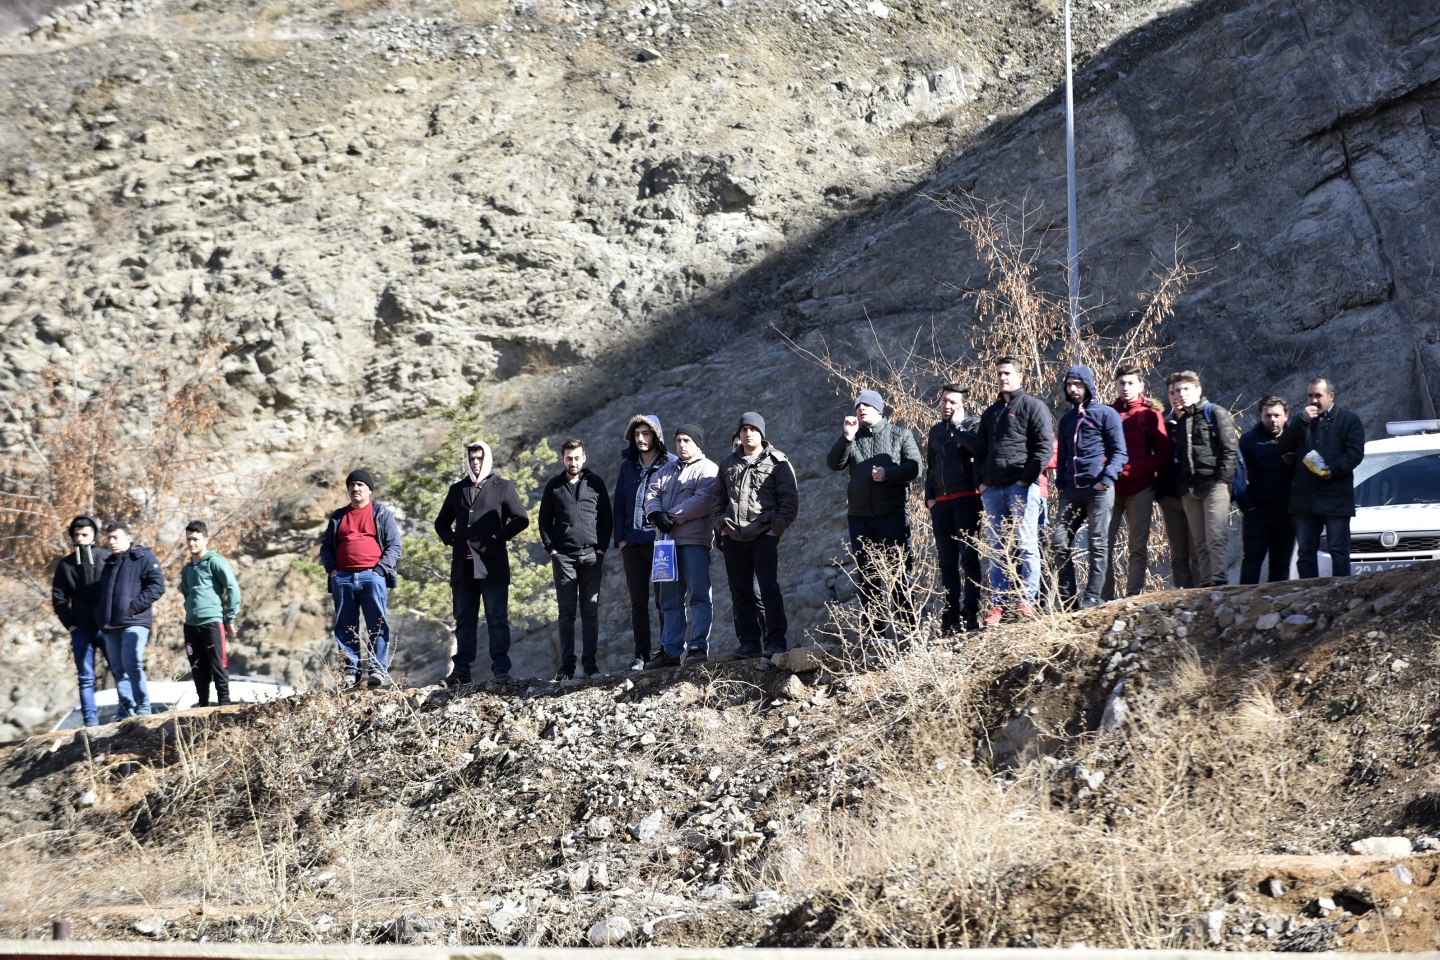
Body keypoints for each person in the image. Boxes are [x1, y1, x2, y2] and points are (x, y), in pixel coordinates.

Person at [825, 389, 923, 636]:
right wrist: (847, 437)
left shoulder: (899, 434)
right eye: (858, 406)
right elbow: (834, 464)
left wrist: (888, 474)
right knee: (867, 576)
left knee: (899, 574)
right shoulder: (854, 437)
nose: (861, 409)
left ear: (878, 409)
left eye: (866, 405)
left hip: (891, 514)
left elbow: (915, 468)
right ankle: (874, 635)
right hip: (859, 517)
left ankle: (908, 632)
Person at [434, 442, 529, 683]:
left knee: (497, 618)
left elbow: (521, 518)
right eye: (471, 458)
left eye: (479, 458)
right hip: (463, 567)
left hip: (492, 564)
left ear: (487, 459)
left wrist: (498, 537)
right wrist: (453, 540)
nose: (475, 463)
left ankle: (501, 668)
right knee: (464, 619)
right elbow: (441, 522)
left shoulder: (503, 487)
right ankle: (461, 670)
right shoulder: (457, 489)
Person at [973, 358, 1054, 625]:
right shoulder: (991, 413)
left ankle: (1026, 602)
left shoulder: (1033, 406)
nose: (1002, 377)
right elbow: (979, 452)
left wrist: (1024, 481)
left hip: (1022, 488)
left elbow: (1044, 449)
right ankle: (999, 605)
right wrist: (981, 484)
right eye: (999, 373)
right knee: (997, 548)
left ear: (1021, 376)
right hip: (993, 491)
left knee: (1027, 544)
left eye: (1007, 373)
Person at [715, 412, 800, 658]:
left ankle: (775, 642)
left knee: (767, 589)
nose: (748, 433)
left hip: (763, 534)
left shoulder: (778, 462)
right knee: (740, 591)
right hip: (733, 536)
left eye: (753, 429)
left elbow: (790, 501)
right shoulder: (727, 463)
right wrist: (722, 527)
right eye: (744, 429)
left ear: (761, 433)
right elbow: (717, 499)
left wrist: (775, 529)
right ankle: (749, 643)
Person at [643, 423, 719, 669]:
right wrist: (655, 514)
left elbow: (703, 500)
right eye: (678, 440)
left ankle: (698, 647)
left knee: (699, 596)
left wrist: (672, 516)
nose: (682, 445)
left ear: (698, 443)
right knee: (669, 600)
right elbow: (651, 494)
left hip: (694, 542)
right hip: (666, 545)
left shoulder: (708, 469)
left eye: (687, 440)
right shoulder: (665, 470)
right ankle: (670, 650)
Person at [1052, 365, 1128, 609]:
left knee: (1098, 543)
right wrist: (1061, 485)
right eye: (1069, 385)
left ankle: (1093, 597)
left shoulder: (1107, 414)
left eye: (1078, 384)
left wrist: (1105, 480)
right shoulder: (1066, 420)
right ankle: (1068, 602)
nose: (1073, 389)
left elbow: (1120, 452)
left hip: (1098, 490)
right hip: (1071, 491)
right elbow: (1062, 457)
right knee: (1058, 542)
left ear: (1088, 385)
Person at [320, 469, 402, 687]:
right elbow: (326, 547)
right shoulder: (338, 516)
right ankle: (350, 673)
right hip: (343, 578)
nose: (355, 488)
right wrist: (332, 570)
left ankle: (377, 671)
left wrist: (380, 570)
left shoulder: (381, 514)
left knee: (377, 624)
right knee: (345, 626)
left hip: (372, 576)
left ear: (369, 489)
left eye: (360, 485)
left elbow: (394, 546)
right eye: (352, 485)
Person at [539, 439, 612, 681]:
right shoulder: (554, 486)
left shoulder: (595, 483)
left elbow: (606, 518)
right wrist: (552, 550)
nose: (573, 462)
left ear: (584, 458)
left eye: (577, 457)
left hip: (592, 556)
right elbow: (544, 521)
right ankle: (567, 667)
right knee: (566, 613)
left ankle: (590, 665)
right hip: (564, 558)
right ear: (562, 459)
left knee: (590, 612)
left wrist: (601, 549)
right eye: (569, 458)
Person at [1279, 377, 1366, 578]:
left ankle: (1341, 590)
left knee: (1339, 551)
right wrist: (1301, 422)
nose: (1313, 400)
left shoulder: (1349, 420)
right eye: (1310, 396)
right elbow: (1283, 445)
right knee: (1305, 553)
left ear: (1331, 396)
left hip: (1336, 496)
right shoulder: (1302, 421)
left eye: (1318, 395)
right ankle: (1308, 593)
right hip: (1305, 498)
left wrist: (1333, 470)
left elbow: (1355, 453)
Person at [612, 415, 675, 671]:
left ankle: (666, 652)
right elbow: (619, 504)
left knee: (664, 600)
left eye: (645, 433)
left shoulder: (671, 463)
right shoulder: (627, 466)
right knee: (637, 602)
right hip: (632, 543)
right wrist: (620, 539)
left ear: (656, 436)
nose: (640, 438)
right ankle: (641, 655)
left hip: (660, 543)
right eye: (637, 434)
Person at [1103, 365, 1171, 599]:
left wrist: (1141, 469)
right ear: (1115, 385)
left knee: (1137, 546)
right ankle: (1105, 598)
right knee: (1102, 545)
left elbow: (1163, 452)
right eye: (1121, 383)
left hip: (1140, 489)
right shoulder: (1107, 413)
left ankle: (1133, 596)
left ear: (1141, 385)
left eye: (1131, 383)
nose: (1126, 387)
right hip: (1110, 489)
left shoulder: (1150, 415)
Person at [1166, 371, 1238, 587]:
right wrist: (1183, 487)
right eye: (1177, 390)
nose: (1181, 394)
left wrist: (1223, 479)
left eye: (1186, 389)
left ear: (1198, 390)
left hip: (1215, 483)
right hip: (1190, 488)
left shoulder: (1215, 412)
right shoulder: (1181, 421)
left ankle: (1219, 580)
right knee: (1199, 541)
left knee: (1215, 535)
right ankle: (1206, 584)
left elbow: (1230, 448)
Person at [924, 385, 983, 632]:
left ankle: (971, 612)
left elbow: (978, 449)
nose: (946, 406)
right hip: (941, 504)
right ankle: (951, 616)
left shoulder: (974, 425)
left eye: (952, 402)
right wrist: (929, 498)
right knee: (946, 562)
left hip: (968, 499)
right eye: (944, 401)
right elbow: (931, 466)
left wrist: (958, 427)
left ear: (963, 406)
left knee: (969, 559)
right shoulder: (935, 431)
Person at [95, 520, 166, 718]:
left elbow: (157, 586)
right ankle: (126, 711)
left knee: (132, 662)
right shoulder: (109, 563)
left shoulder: (143, 557)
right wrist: (100, 616)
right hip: (111, 625)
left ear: (128, 538)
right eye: (109, 538)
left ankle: (144, 707)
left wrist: (134, 607)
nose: (111, 541)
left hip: (134, 622)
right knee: (118, 669)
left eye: (115, 538)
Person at [51, 515, 111, 727]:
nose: (80, 538)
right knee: (86, 678)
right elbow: (59, 598)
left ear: (94, 535)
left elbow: (117, 590)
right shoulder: (66, 565)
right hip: (81, 630)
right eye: (77, 535)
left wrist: (112, 620)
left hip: (106, 627)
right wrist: (70, 625)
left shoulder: (107, 558)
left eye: (85, 534)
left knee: (119, 670)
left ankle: (127, 714)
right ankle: (90, 722)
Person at [177, 520, 242, 707]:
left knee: (218, 665)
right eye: (189, 539)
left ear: (205, 539)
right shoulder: (187, 569)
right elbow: (187, 592)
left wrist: (230, 618)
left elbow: (232, 588)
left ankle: (224, 704)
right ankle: (203, 706)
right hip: (191, 624)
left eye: (195, 539)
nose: (191, 543)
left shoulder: (215, 562)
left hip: (212, 622)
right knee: (197, 667)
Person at [1238, 397, 1297, 583]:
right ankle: (1245, 598)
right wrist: (1247, 506)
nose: (1272, 420)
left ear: (1286, 415)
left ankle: (1277, 600)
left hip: (1287, 513)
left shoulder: (1296, 439)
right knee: (1252, 560)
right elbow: (1237, 475)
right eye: (1267, 416)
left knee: (1281, 563)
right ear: (1260, 416)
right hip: (1257, 512)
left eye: (1277, 415)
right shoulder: (1248, 440)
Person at [1157, 380, 1200, 588]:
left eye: (1182, 390)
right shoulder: (1164, 426)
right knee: (1178, 553)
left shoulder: (1201, 423)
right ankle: (1183, 595)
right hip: (1170, 496)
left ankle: (1202, 594)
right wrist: (1159, 493)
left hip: (1195, 495)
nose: (1177, 396)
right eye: (1172, 392)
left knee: (1198, 550)